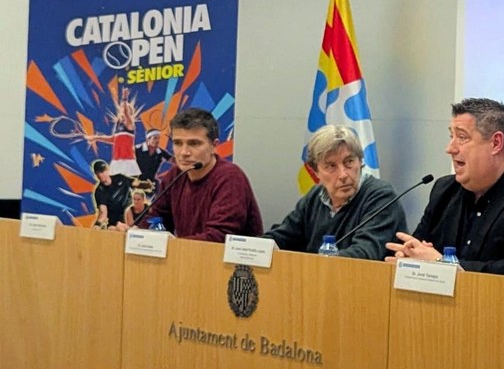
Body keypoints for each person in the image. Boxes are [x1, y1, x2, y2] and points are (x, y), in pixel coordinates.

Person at [387, 98, 504, 278]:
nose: (450, 148)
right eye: (451, 137)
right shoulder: (444, 190)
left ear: (496, 143)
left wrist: (441, 264)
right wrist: (408, 257)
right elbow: (419, 248)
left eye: (462, 137)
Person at [117, 108, 263, 242]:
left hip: (226, 261)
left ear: (214, 145)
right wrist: (135, 232)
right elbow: (157, 220)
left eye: (194, 144)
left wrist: (173, 245)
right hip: (188, 257)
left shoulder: (230, 178)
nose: (184, 152)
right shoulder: (175, 175)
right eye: (178, 143)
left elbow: (219, 238)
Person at [265, 125, 407, 260]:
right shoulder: (315, 197)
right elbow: (282, 237)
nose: (343, 175)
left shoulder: (381, 197)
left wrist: (317, 264)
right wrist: (256, 247)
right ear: (315, 172)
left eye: (349, 162)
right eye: (331, 166)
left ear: (360, 161)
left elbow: (365, 254)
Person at [91, 160, 132, 229]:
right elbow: (103, 212)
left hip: (130, 218)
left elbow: (135, 183)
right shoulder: (99, 191)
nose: (101, 175)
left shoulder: (120, 178)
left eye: (102, 171)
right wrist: (97, 224)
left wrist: (145, 185)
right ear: (96, 175)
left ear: (107, 170)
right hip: (115, 224)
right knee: (113, 228)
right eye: (98, 173)